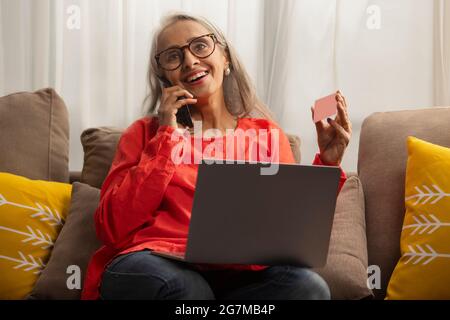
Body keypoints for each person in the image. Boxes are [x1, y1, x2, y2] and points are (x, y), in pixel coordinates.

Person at [81, 12, 352, 300]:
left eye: (199, 46)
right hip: (154, 262)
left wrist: (328, 163)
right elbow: (111, 228)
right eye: (173, 56)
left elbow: (292, 235)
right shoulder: (143, 134)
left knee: (309, 288)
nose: (189, 61)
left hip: (239, 277)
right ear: (164, 77)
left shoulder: (267, 134)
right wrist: (166, 137)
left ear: (226, 59)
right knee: (190, 290)